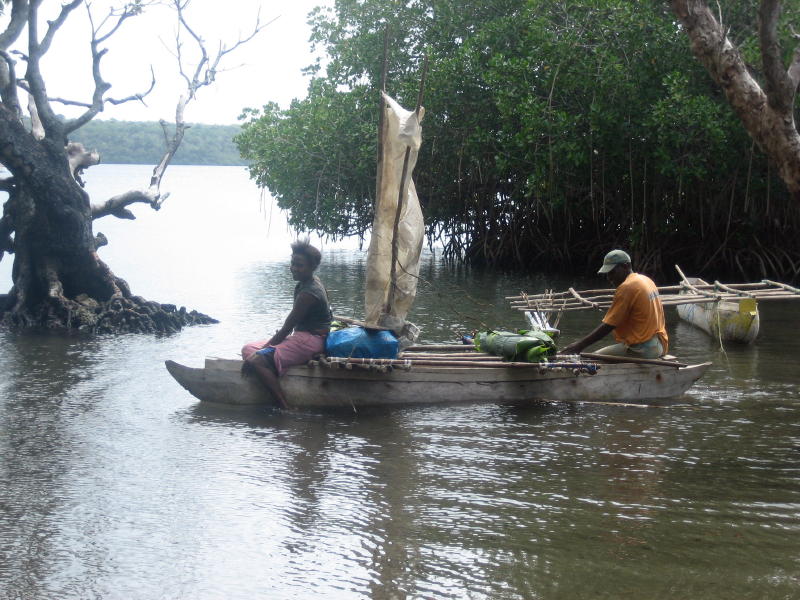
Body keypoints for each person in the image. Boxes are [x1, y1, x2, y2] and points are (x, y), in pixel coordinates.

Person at [241, 240, 332, 409]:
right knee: (247, 349)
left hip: (311, 340)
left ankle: (284, 405)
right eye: (292, 263)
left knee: (258, 359)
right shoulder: (307, 283)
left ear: (312, 267)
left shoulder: (309, 293)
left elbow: (286, 328)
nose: (293, 268)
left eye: (299, 265)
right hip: (301, 336)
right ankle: (273, 374)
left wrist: (264, 351)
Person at [561, 249, 668, 359]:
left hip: (644, 349)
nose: (609, 278)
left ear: (626, 266)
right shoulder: (646, 280)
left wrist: (578, 346)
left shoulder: (627, 287)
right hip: (659, 345)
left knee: (593, 358)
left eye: (612, 272)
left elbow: (609, 325)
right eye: (607, 274)